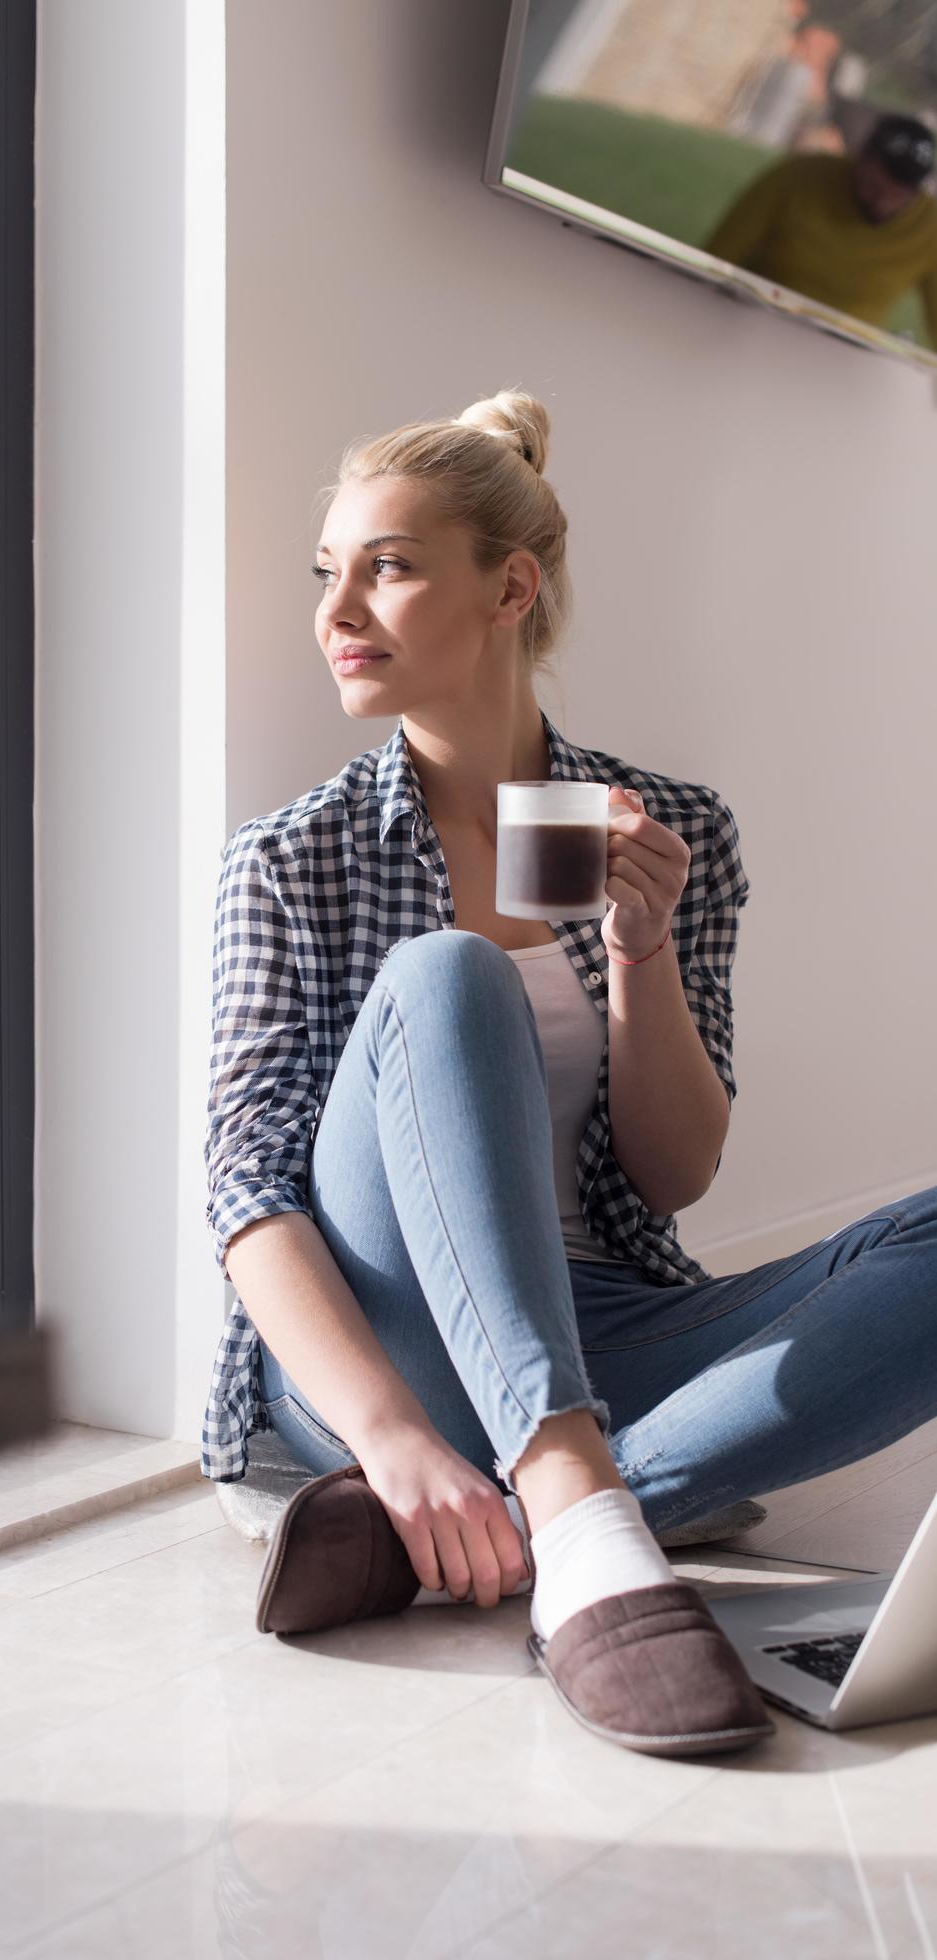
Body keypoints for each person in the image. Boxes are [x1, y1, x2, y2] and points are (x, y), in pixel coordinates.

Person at [201, 386, 937, 1756]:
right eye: (331, 573)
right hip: (389, 1341)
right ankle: (565, 1507)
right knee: (446, 975)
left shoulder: (670, 828)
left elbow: (674, 1173)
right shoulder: (294, 857)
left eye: (391, 565)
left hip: (610, 1322)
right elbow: (246, 1194)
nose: (338, 609)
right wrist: (392, 1432)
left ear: (510, 587)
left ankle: (506, 1522)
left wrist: (643, 950)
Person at [703, 112, 937, 345]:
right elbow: (717, 257)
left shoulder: (930, 227)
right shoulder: (799, 177)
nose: (883, 203)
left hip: (846, 353)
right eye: (873, 187)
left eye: (899, 196)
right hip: (752, 324)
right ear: (859, 159)